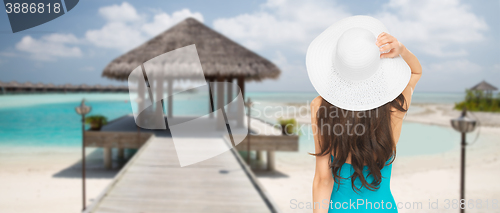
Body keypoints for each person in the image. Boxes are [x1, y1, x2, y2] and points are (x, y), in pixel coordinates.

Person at [306, 16, 422, 212]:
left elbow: (322, 180)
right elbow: (415, 72)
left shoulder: (320, 107)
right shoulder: (397, 104)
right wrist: (401, 49)